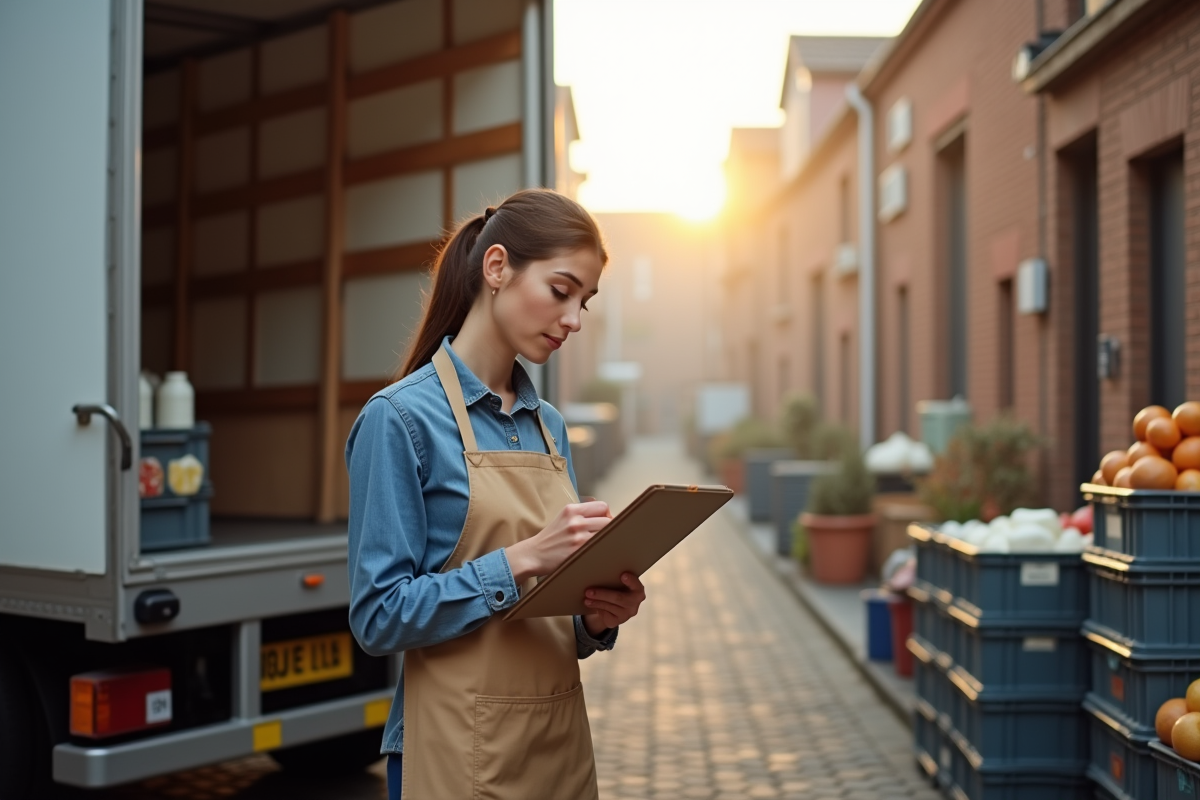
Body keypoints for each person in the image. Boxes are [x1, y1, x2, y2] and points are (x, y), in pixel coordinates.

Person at [346, 189, 646, 800]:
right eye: (561, 291)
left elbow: (547, 622)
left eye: (585, 302)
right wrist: (522, 559)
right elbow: (377, 618)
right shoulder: (400, 419)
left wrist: (593, 618)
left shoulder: (549, 426)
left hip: (557, 750)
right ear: (497, 267)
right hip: (453, 755)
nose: (574, 320)